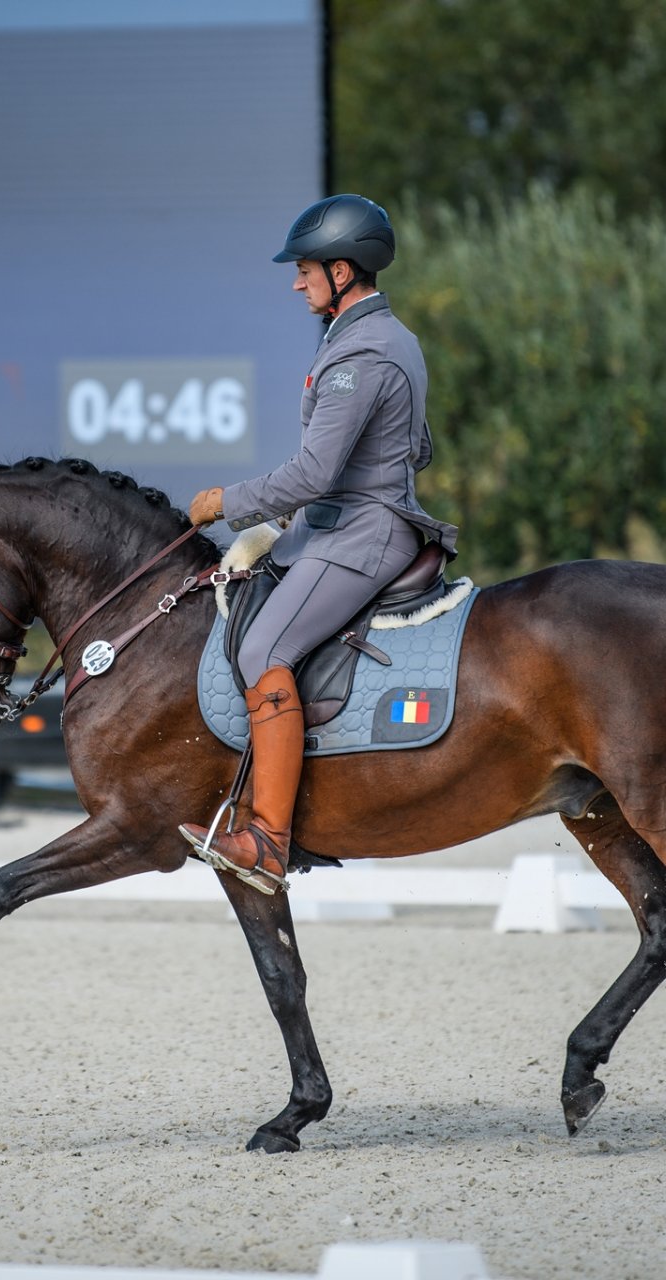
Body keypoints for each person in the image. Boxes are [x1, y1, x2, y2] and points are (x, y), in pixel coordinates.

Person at [179, 194, 459, 894]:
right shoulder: (372, 338)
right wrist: (283, 528)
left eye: (305, 269)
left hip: (362, 535)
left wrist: (230, 504)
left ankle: (269, 839)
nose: (295, 281)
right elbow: (412, 447)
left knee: (263, 650)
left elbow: (314, 472)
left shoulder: (364, 351)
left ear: (342, 270)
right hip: (338, 523)